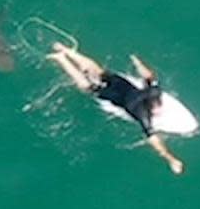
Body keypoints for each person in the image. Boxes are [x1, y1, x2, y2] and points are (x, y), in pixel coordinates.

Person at [46, 42, 184, 175]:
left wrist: (137, 62)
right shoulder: (142, 114)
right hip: (112, 95)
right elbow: (154, 140)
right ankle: (61, 58)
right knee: (86, 86)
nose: (158, 111)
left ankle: (65, 50)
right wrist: (170, 158)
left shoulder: (153, 92)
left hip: (119, 83)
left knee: (98, 71)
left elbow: (149, 76)